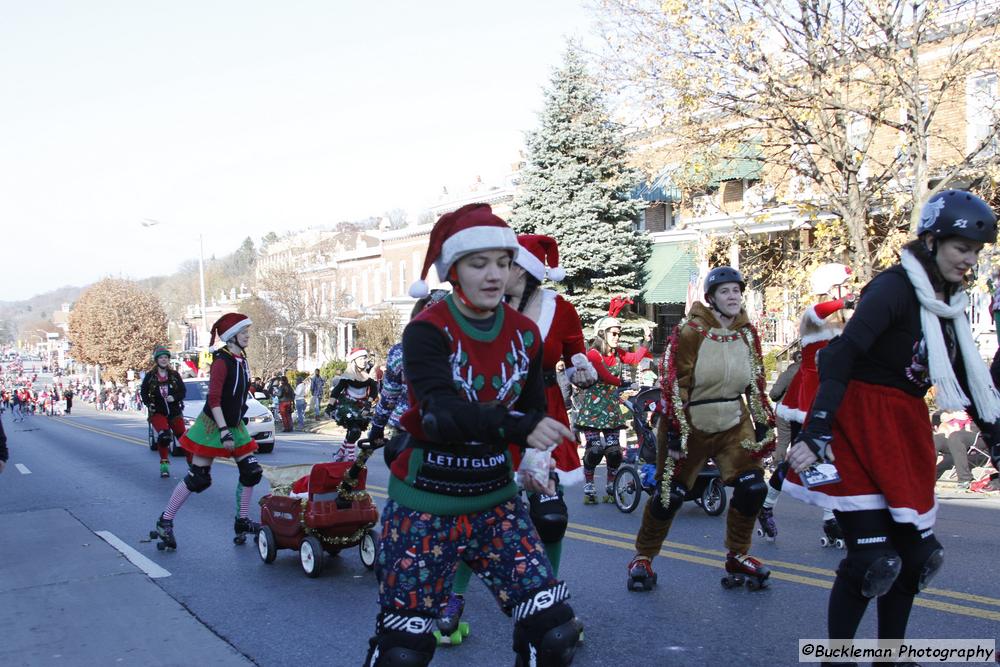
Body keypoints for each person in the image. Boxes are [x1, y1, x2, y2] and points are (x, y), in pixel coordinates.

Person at [364, 203, 580, 667]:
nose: (494, 275)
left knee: (556, 631)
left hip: (495, 502)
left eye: (503, 263)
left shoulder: (525, 333)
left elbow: (533, 407)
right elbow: (442, 414)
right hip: (426, 504)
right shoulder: (426, 331)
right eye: (478, 263)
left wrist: (535, 462)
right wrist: (520, 427)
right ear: (453, 270)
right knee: (405, 652)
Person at [784, 190, 1000, 652]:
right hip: (855, 422)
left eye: (975, 252)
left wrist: (998, 443)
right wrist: (818, 427)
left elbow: (971, 383)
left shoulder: (950, 308)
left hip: (902, 428)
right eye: (962, 247)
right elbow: (840, 354)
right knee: (873, 560)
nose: (969, 259)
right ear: (933, 239)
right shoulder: (894, 288)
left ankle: (889, 657)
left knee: (917, 557)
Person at [436, 234, 598, 646]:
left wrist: (582, 369)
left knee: (550, 515)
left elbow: (576, 353)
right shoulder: (481, 309)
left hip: (545, 415)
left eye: (505, 265)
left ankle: (548, 598)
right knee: (477, 512)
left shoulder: (560, 310)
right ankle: (453, 598)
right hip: (494, 417)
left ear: (523, 270)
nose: (495, 274)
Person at [627, 266, 775, 592]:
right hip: (690, 420)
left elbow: (755, 382)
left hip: (734, 423)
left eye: (737, 290)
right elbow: (674, 382)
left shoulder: (747, 333)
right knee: (671, 496)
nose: (733, 296)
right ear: (711, 298)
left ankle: (738, 554)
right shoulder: (692, 331)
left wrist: (763, 421)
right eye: (725, 291)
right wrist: (677, 431)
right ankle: (643, 557)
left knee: (753, 487)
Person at [758, 263, 855, 543]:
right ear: (831, 289)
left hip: (834, 396)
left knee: (831, 458)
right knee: (800, 460)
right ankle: (767, 507)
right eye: (843, 287)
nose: (848, 291)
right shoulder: (812, 316)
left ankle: (830, 518)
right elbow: (818, 311)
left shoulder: (844, 322)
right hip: (807, 399)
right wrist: (844, 301)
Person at [150, 313, 263, 550]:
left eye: (247, 332)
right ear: (232, 336)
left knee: (251, 471)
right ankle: (165, 520)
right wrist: (224, 431)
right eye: (243, 332)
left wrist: (235, 425)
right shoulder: (222, 361)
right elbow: (214, 399)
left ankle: (242, 521)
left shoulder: (241, 359)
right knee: (198, 478)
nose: (247, 336)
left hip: (234, 423)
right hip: (213, 425)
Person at [575, 300, 652, 504]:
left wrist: (646, 341)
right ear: (602, 334)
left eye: (619, 333)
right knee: (594, 449)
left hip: (610, 409)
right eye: (614, 333)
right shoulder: (593, 354)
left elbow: (635, 358)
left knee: (614, 451)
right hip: (592, 410)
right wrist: (624, 382)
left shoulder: (618, 354)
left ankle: (611, 484)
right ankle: (589, 485)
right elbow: (604, 375)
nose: (618, 337)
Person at [140, 346, 188, 478]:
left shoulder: (174, 375)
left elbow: (183, 391)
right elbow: (143, 392)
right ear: (157, 360)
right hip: (158, 412)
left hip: (174, 412)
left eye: (166, 357)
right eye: (161, 357)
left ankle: (193, 467)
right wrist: (149, 403)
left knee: (184, 440)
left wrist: (175, 397)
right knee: (164, 436)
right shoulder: (150, 376)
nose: (163, 360)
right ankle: (164, 465)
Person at [327, 348, 378, 462]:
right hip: (347, 405)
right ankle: (351, 458)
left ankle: (340, 452)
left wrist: (368, 404)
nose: (364, 361)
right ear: (354, 361)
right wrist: (330, 406)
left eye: (365, 358)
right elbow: (336, 391)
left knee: (353, 432)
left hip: (362, 406)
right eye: (361, 358)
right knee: (354, 431)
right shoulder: (347, 376)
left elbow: (374, 391)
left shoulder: (368, 376)